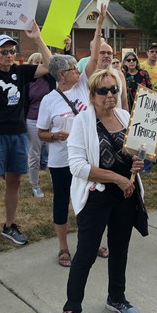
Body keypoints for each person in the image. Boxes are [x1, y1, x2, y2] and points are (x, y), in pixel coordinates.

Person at [61, 69, 144, 313]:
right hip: (97, 196)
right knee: (86, 254)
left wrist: (139, 162)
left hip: (127, 195)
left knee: (120, 250)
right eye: (103, 91)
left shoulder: (124, 116)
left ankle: (116, 298)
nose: (109, 95)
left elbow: (135, 151)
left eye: (114, 90)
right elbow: (77, 166)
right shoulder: (82, 122)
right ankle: (71, 309)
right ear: (93, 94)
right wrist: (115, 178)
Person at [0, 21, 52, 252]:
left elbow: (50, 66)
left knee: (14, 182)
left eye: (12, 51)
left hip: (17, 134)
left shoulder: (21, 71)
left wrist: (37, 38)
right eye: (4, 52)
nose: (9, 55)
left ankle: (9, 225)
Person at [37, 55, 109, 268]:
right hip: (61, 160)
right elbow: (41, 133)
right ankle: (63, 247)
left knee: (89, 200)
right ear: (62, 74)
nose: (79, 71)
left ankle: (90, 243)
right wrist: (55, 136)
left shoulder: (83, 87)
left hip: (87, 157)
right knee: (62, 201)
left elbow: (95, 57)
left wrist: (98, 26)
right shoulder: (49, 100)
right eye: (74, 69)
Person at [25, 52, 55, 198]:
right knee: (34, 154)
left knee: (53, 153)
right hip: (32, 120)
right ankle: (35, 185)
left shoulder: (50, 79)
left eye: (41, 62)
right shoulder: (26, 81)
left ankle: (55, 182)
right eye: (35, 62)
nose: (38, 65)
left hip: (49, 121)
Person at [140, 43, 157, 170]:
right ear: (147, 53)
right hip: (146, 102)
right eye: (152, 51)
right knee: (146, 132)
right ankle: (145, 159)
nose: (154, 54)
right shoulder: (142, 66)